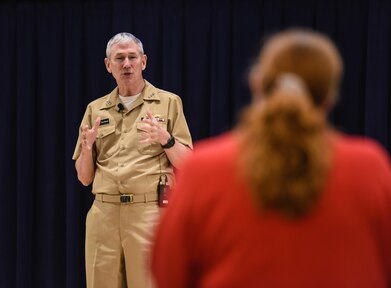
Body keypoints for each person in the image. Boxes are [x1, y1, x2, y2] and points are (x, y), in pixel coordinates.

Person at [151, 28, 391, 287]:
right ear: (330, 97)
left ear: (257, 83)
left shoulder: (203, 169)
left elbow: (168, 272)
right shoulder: (370, 168)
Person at [72, 32, 192, 288]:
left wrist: (166, 139)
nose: (126, 64)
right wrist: (86, 149)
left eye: (132, 57)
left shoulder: (168, 103)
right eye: (119, 58)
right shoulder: (96, 109)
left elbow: (188, 163)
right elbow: (84, 178)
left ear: (143, 62)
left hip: (148, 213)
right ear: (108, 65)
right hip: (104, 214)